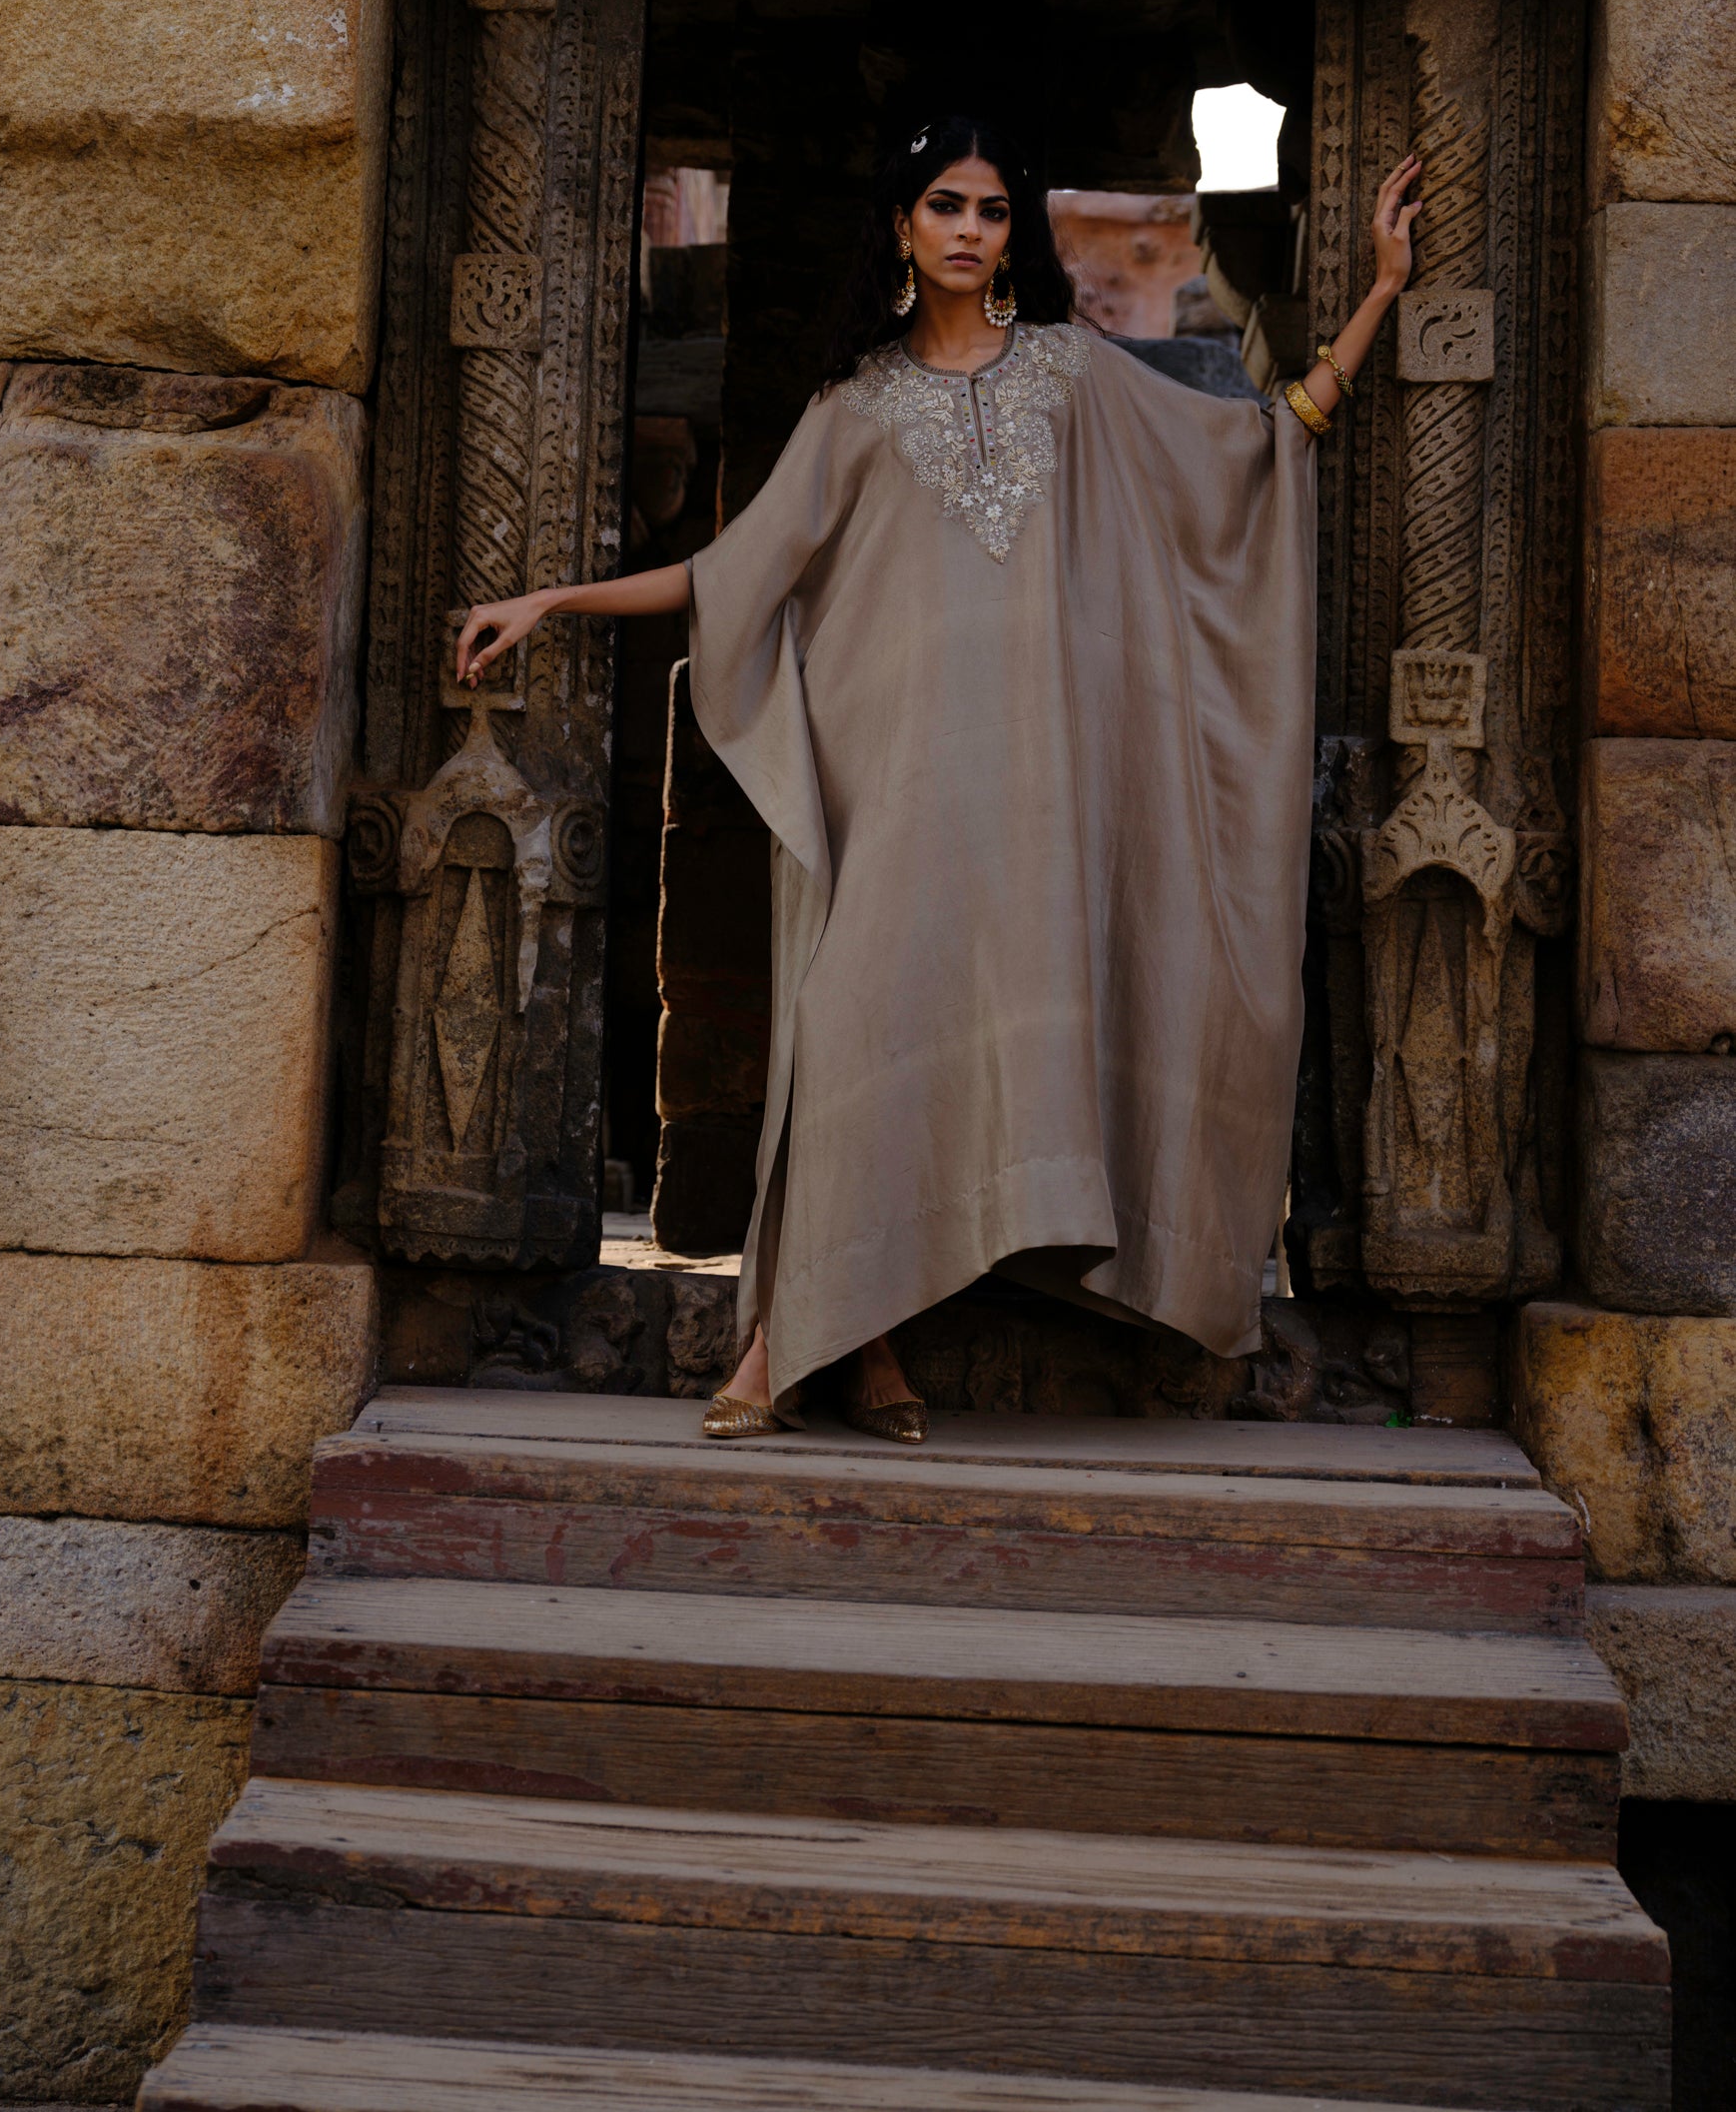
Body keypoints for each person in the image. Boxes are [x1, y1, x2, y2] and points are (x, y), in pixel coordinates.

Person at [455, 112, 1422, 1443]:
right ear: (902, 228)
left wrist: (1377, 293)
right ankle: (809, 1344)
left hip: (1041, 810)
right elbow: (733, 573)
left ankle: (858, 1356)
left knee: (993, 1044)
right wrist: (552, 599)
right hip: (896, 789)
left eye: (989, 208)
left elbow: (1253, 449)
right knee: (856, 1032)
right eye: (943, 206)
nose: (968, 230)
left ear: (1013, 232)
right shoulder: (853, 408)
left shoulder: (1075, 377)